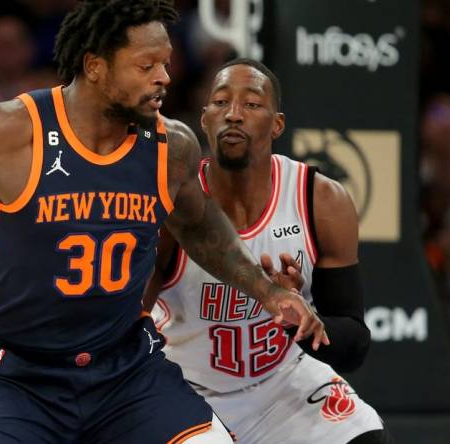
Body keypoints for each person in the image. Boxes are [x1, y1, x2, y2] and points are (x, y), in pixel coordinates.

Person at [0, 1, 327, 442]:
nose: (165, 77)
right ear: (95, 66)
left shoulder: (172, 145)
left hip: (126, 373)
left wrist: (265, 290)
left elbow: (201, 228)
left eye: (165, 63)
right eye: (146, 66)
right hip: (18, 377)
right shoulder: (3, 130)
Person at [143, 59, 389, 443]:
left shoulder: (319, 199)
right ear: (204, 119)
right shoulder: (172, 204)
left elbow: (354, 342)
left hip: (279, 381)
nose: (234, 114)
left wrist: (301, 324)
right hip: (186, 387)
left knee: (368, 438)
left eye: (252, 104)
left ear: (277, 124)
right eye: (221, 103)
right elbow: (128, 317)